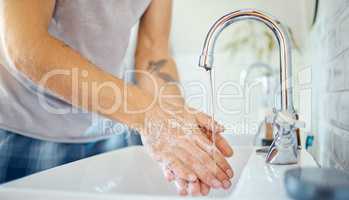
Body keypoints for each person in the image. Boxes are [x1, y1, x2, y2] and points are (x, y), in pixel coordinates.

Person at [0, 0, 234, 196]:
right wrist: (150, 115)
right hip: (24, 132)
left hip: (106, 128)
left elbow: (154, 50)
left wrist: (174, 123)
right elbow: (27, 47)